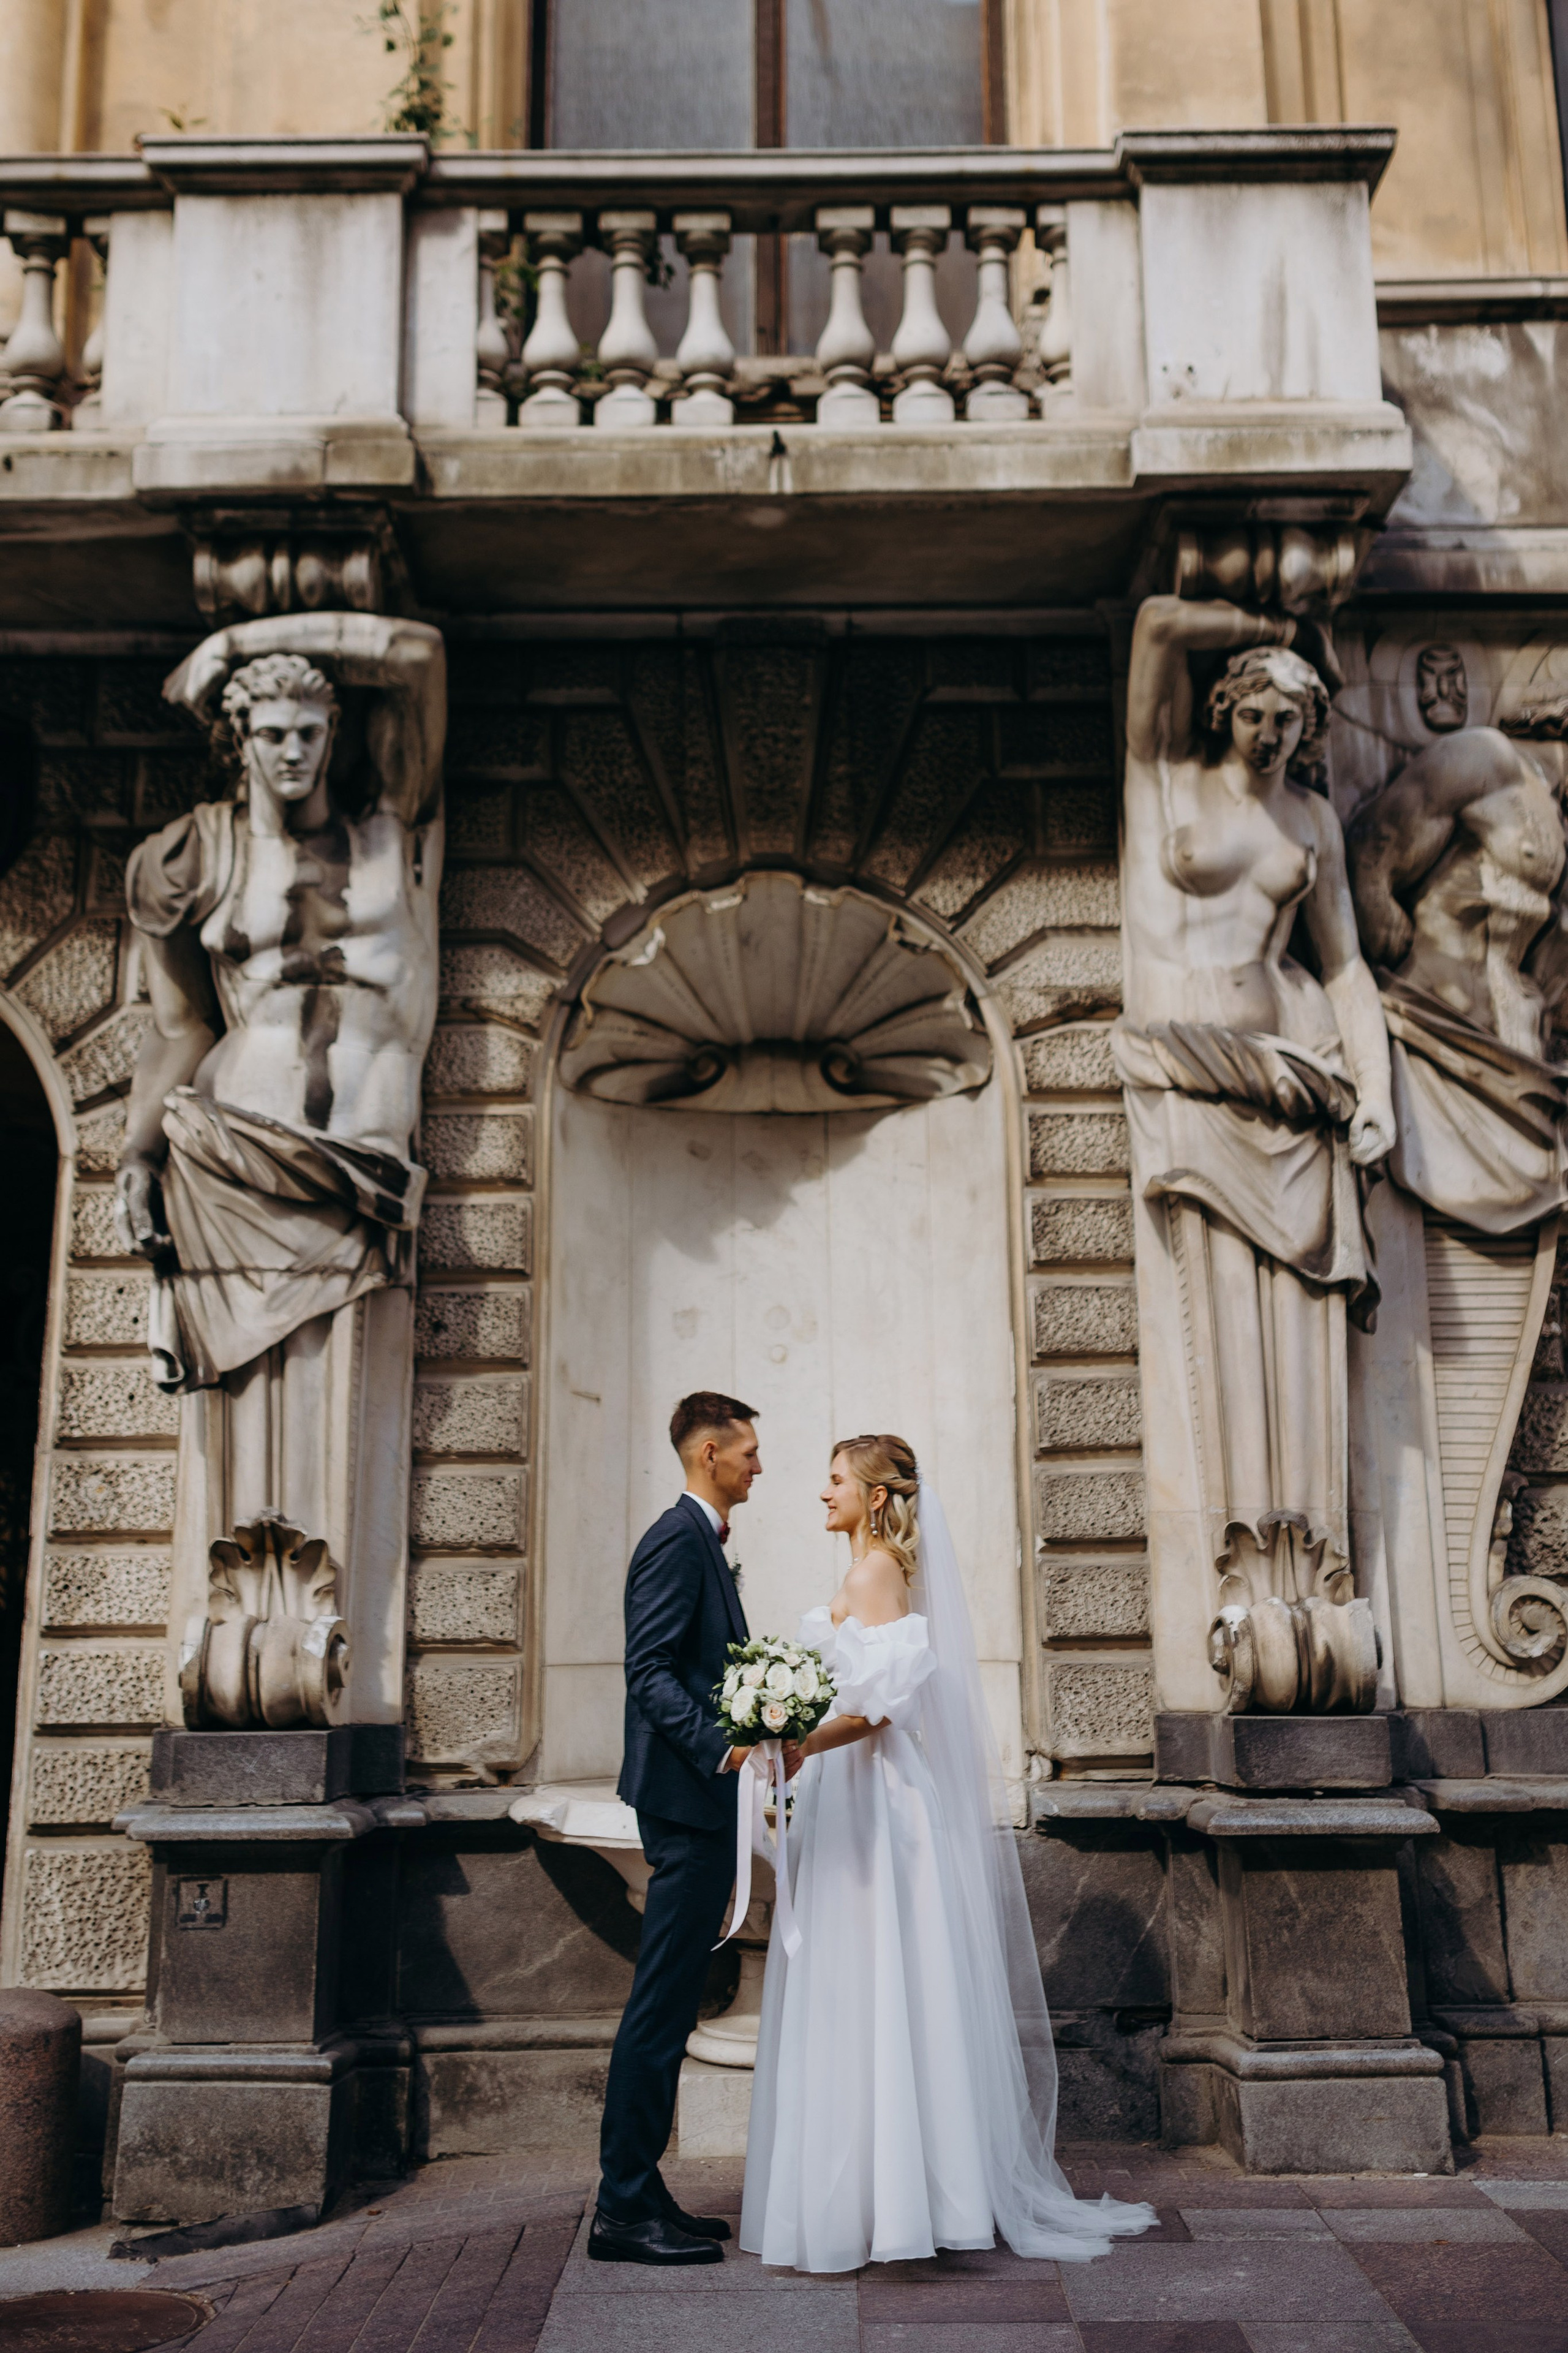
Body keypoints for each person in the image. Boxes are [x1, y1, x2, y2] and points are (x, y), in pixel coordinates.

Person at [741, 1434, 1156, 2273]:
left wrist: (794, 1744)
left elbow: (880, 1710)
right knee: (858, 1987)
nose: (823, 1495)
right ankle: (874, 2195)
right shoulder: (867, 1569)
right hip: (845, 1789)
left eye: (835, 1482)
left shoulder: (875, 1573)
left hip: (871, 1796)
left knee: (879, 1983)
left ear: (877, 1496)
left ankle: (892, 2202)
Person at [1117, 596, 1395, 1711]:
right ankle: (1248, 1576)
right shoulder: (1164, 778)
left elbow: (1347, 971)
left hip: (1289, 1076)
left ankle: (1305, 1576)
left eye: (1295, 718)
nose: (1274, 733)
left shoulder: (1314, 826)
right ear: (1226, 706)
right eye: (1259, 711)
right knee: (1217, 1315)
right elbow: (1147, 630)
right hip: (1189, 1066)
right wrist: (1258, 601)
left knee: (1293, 1325)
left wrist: (1375, 1091)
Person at [594, 1391, 799, 2265]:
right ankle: (622, 2206)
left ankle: (643, 2193)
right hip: (684, 1805)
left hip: (698, 1805)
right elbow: (648, 1668)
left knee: (672, 2005)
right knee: (658, 2008)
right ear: (709, 1450)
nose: (760, 1465)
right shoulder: (676, 1540)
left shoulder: (702, 1542)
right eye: (749, 1450)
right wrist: (721, 1745)